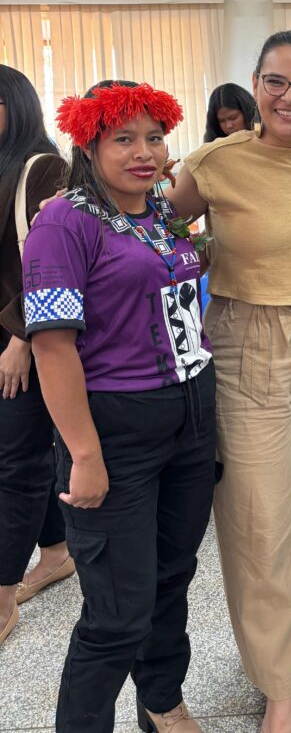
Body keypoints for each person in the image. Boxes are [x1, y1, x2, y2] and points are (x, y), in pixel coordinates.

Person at [169, 30, 291, 733]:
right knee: (257, 512)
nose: (289, 97)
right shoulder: (214, 163)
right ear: (254, 85)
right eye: (276, 82)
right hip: (244, 336)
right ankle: (278, 683)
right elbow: (153, 228)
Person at [24, 80, 216, 733]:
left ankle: (161, 702)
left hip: (190, 419)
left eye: (155, 138)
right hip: (115, 432)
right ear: (89, 143)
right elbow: (52, 348)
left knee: (170, 580)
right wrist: (83, 453)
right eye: (123, 139)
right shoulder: (63, 221)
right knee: (116, 612)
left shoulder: (159, 212)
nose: (144, 152)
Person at [0, 64, 73, 648]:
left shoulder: (41, 167)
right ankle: (54, 551)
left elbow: (48, 263)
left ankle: (1, 595)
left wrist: (22, 338)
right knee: (19, 455)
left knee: (16, 462)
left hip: (21, 338)